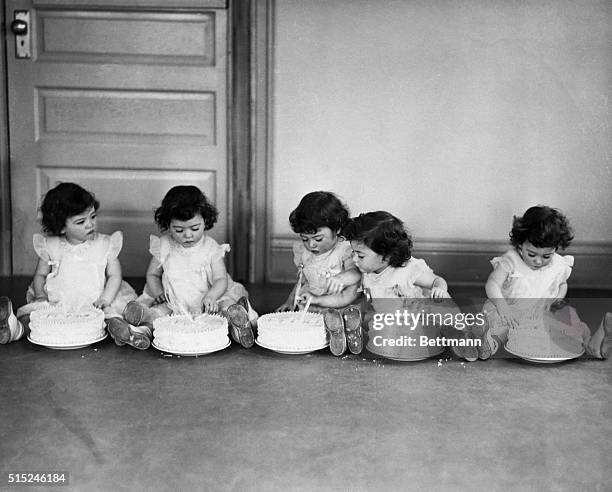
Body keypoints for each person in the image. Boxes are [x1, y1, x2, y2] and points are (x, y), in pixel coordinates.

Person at [118, 185, 257, 349]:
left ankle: (237, 327)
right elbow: (152, 275)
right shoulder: (164, 245)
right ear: (168, 225)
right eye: (179, 230)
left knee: (224, 307)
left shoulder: (211, 248)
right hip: (174, 302)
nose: (188, 235)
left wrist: (212, 296)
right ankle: (140, 328)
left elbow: (220, 279)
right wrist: (158, 294)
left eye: (194, 228)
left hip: (208, 301)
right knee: (159, 314)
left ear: (205, 221)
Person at [0, 182, 136, 344]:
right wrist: (41, 296)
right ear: (61, 227)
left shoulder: (105, 243)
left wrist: (105, 299)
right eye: (80, 222)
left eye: (93, 216)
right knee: (38, 318)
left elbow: (114, 275)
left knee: (108, 316)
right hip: (58, 300)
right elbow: (40, 275)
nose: (90, 224)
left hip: (95, 300)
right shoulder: (51, 245)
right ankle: (16, 329)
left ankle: (123, 332)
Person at [472, 205, 611, 361]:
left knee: (570, 322)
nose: (538, 261)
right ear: (520, 244)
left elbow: (561, 284)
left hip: (541, 312)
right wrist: (502, 306)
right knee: (502, 325)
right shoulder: (511, 261)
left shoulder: (558, 264)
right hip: (511, 310)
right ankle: (487, 344)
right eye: (531, 254)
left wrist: (556, 299)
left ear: (556, 248)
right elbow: (492, 284)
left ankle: (594, 343)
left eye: (546, 256)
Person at [342, 211, 471, 361]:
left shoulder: (408, 270)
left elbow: (437, 280)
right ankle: (354, 334)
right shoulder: (367, 270)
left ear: (386, 256)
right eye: (353, 253)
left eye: (360, 255)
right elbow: (357, 284)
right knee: (365, 313)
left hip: (419, 316)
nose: (354, 259)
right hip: (389, 317)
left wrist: (440, 289)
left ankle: (461, 335)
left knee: (442, 304)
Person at [276, 191, 363, 356]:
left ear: (337, 229)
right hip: (314, 300)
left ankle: (345, 334)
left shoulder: (344, 249)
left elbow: (357, 272)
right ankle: (331, 334)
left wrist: (341, 278)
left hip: (340, 300)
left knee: (346, 315)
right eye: (304, 239)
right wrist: (289, 300)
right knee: (301, 322)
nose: (311, 245)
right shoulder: (303, 251)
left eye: (318, 239)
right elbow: (302, 279)